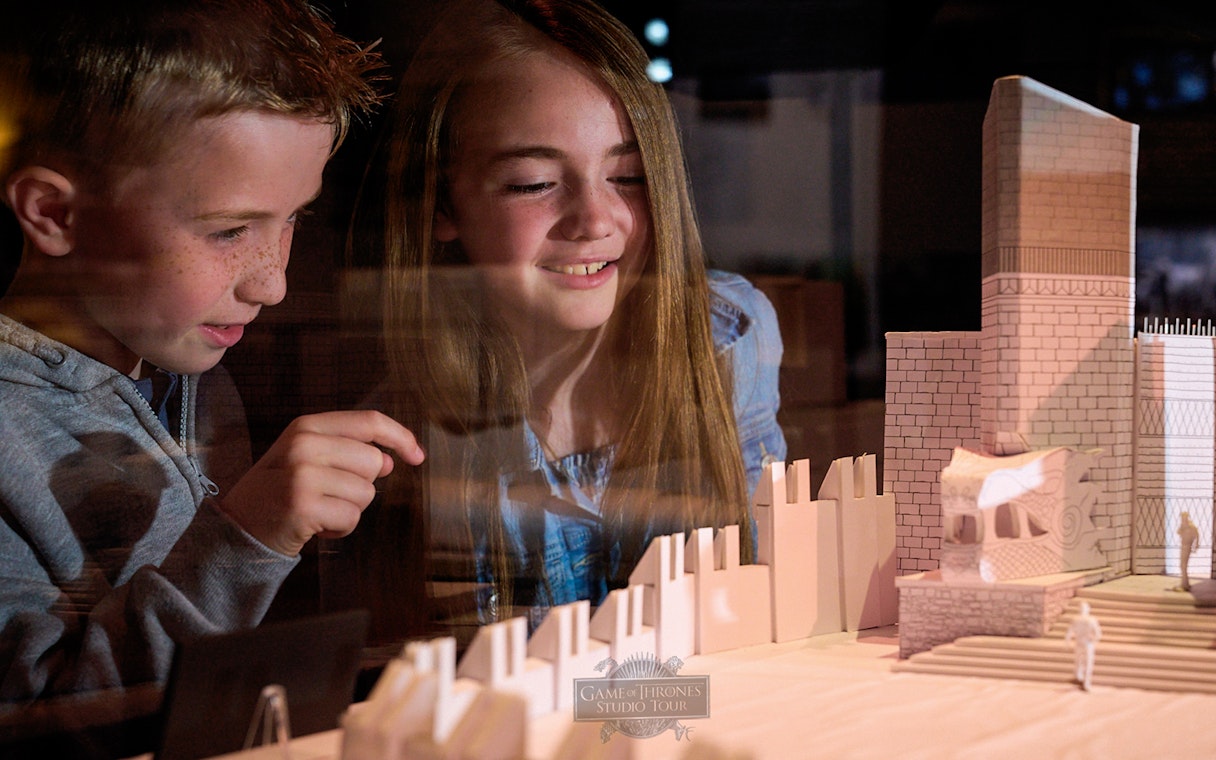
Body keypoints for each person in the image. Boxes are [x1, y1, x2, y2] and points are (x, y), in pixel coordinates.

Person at [0, 0, 424, 713]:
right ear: (54, 213)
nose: (272, 283)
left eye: (293, 218)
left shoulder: (202, 381)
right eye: (230, 230)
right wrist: (243, 538)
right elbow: (41, 729)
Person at [343, 0, 785, 637]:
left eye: (628, 175)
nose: (595, 219)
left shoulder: (728, 336)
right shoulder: (404, 443)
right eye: (533, 183)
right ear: (442, 204)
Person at [1064, 600, 1101, 691]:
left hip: (1080, 642)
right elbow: (1098, 634)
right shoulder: (1090, 620)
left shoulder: (1076, 619)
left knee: (1079, 661)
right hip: (1087, 643)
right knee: (1086, 662)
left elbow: (1069, 633)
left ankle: (1079, 677)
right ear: (1088, 609)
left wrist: (1068, 642)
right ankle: (1085, 682)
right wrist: (1093, 641)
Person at [1178, 511, 1200, 592]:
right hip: (1183, 546)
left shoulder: (1191, 526)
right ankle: (1185, 583)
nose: (1182, 519)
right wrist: (1182, 527)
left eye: (1183, 517)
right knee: (1183, 566)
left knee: (1183, 566)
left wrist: (1196, 545)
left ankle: (1185, 585)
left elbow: (1197, 536)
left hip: (1187, 547)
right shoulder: (1184, 526)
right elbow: (1178, 532)